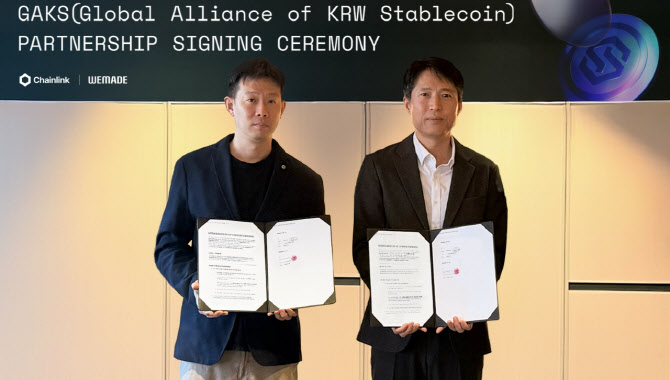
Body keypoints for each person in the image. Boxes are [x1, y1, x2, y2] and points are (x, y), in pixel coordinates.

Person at [155, 58, 325, 380]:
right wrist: (194, 282)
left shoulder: (305, 181)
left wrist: (297, 294)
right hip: (206, 343)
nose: (262, 110)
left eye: (271, 101)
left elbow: (308, 258)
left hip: (274, 348)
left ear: (282, 108)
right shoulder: (193, 169)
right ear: (230, 105)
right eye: (251, 100)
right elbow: (168, 245)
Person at [352, 57, 507, 380]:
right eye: (425, 94)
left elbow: (494, 251)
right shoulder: (378, 167)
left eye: (446, 95)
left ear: (459, 105)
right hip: (397, 332)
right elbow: (364, 247)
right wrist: (396, 303)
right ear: (407, 103)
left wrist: (472, 303)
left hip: (460, 332)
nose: (435, 105)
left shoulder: (484, 171)